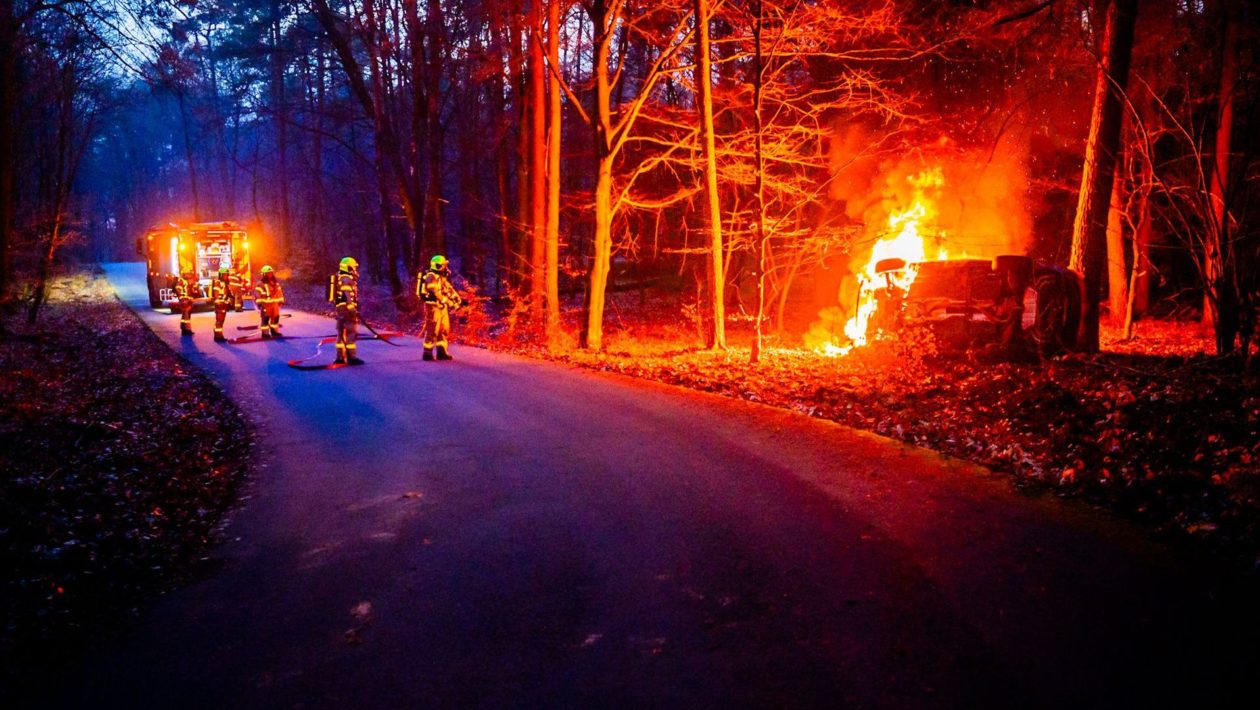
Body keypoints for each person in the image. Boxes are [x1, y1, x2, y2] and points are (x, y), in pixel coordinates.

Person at [417, 254, 462, 361]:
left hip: (442, 307)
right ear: (438, 265)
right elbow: (435, 292)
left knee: (443, 329)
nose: (445, 267)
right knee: (432, 329)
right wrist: (450, 303)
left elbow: (448, 289)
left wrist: (457, 299)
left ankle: (441, 351)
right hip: (433, 307)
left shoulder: (441, 277)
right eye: (443, 265)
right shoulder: (431, 276)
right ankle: (427, 353)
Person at [333, 257, 364, 365]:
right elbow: (347, 295)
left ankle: (340, 357)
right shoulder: (346, 278)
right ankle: (352, 357)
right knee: (351, 332)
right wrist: (352, 309)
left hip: (340, 308)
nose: (355, 269)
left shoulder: (340, 277)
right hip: (346, 309)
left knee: (341, 332)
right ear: (348, 267)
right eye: (353, 267)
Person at [254, 265, 285, 339]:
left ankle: (274, 331)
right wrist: (259, 303)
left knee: (275, 318)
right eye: (268, 273)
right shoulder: (260, 284)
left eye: (271, 273)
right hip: (266, 305)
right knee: (265, 319)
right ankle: (265, 333)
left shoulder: (275, 283)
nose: (270, 274)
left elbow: (279, 292)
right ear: (264, 274)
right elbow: (257, 294)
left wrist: (281, 300)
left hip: (275, 305)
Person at [211, 265, 236, 342]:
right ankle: (218, 336)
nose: (226, 276)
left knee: (221, 320)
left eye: (227, 274)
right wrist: (219, 301)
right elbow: (216, 293)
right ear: (221, 275)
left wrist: (230, 300)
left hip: (224, 304)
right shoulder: (218, 282)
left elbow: (228, 294)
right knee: (219, 320)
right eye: (224, 274)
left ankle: (219, 334)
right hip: (220, 304)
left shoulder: (225, 283)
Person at [173, 269, 199, 336]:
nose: (189, 275)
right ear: (184, 274)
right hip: (185, 300)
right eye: (188, 273)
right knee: (186, 315)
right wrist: (183, 298)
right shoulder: (181, 280)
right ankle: (187, 330)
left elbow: (191, 290)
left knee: (185, 316)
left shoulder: (186, 281)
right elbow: (178, 289)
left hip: (188, 300)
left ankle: (184, 329)